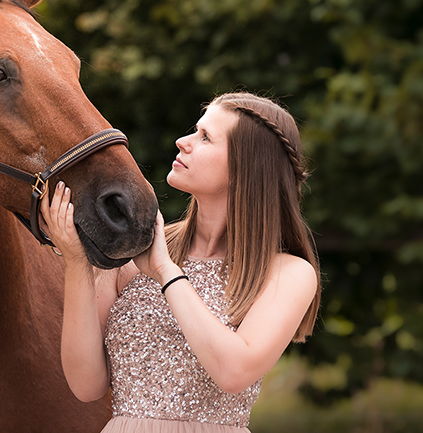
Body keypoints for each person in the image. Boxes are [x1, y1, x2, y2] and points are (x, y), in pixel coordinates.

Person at [41, 92, 321, 432]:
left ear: (245, 167)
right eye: (195, 130)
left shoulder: (288, 272)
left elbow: (234, 372)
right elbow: (86, 385)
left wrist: (167, 273)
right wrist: (76, 263)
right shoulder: (136, 250)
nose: (183, 142)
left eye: (205, 138)